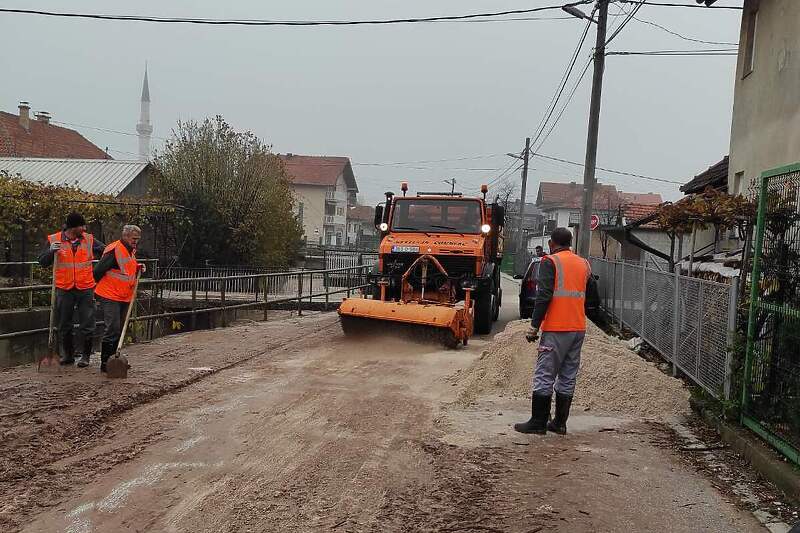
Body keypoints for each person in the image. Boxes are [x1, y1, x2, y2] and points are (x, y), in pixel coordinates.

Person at [514, 227, 599, 435]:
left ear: (552, 243)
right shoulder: (583, 263)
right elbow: (593, 297)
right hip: (578, 328)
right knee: (568, 375)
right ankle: (560, 423)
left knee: (545, 374)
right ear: (570, 243)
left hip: (556, 328)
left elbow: (543, 297)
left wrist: (534, 327)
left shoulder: (549, 262)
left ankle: (538, 422)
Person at [38, 212, 105, 367]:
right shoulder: (54, 240)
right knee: (64, 324)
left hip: (85, 287)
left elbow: (105, 251)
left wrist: (101, 269)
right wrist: (50, 252)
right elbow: (42, 261)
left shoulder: (89, 239)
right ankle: (68, 355)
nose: (85, 228)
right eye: (82, 225)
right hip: (64, 288)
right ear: (74, 227)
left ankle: (85, 356)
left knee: (87, 322)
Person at [93, 225, 143, 373]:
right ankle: (105, 362)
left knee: (119, 329)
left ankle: (114, 358)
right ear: (126, 236)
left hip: (123, 295)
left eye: (137, 240)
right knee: (112, 328)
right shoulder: (114, 250)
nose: (136, 242)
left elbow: (126, 269)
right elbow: (98, 271)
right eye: (134, 239)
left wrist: (138, 267)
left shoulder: (129, 251)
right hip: (110, 294)